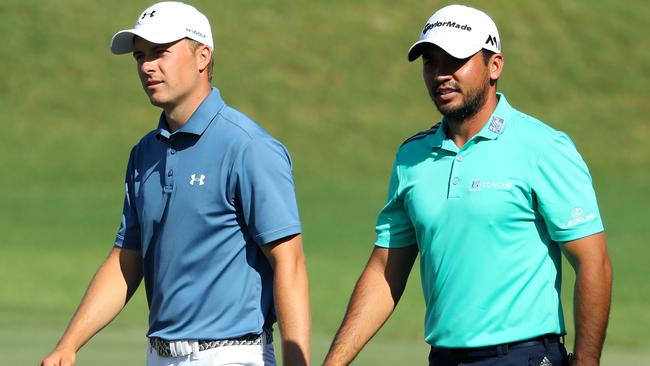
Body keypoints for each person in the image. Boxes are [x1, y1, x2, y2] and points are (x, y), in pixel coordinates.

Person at [324, 4, 611, 366]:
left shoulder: (543, 147)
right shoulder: (412, 157)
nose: (440, 74)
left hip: (524, 356)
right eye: (431, 62)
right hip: (443, 359)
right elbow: (385, 271)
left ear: (495, 66)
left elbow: (593, 263)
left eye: (454, 61)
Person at [39, 2, 310, 366]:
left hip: (233, 355)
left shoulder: (248, 147)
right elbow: (126, 260)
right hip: (159, 355)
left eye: (160, 52)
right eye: (140, 56)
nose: (147, 66)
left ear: (202, 57)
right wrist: (68, 345)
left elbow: (288, 263)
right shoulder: (144, 154)